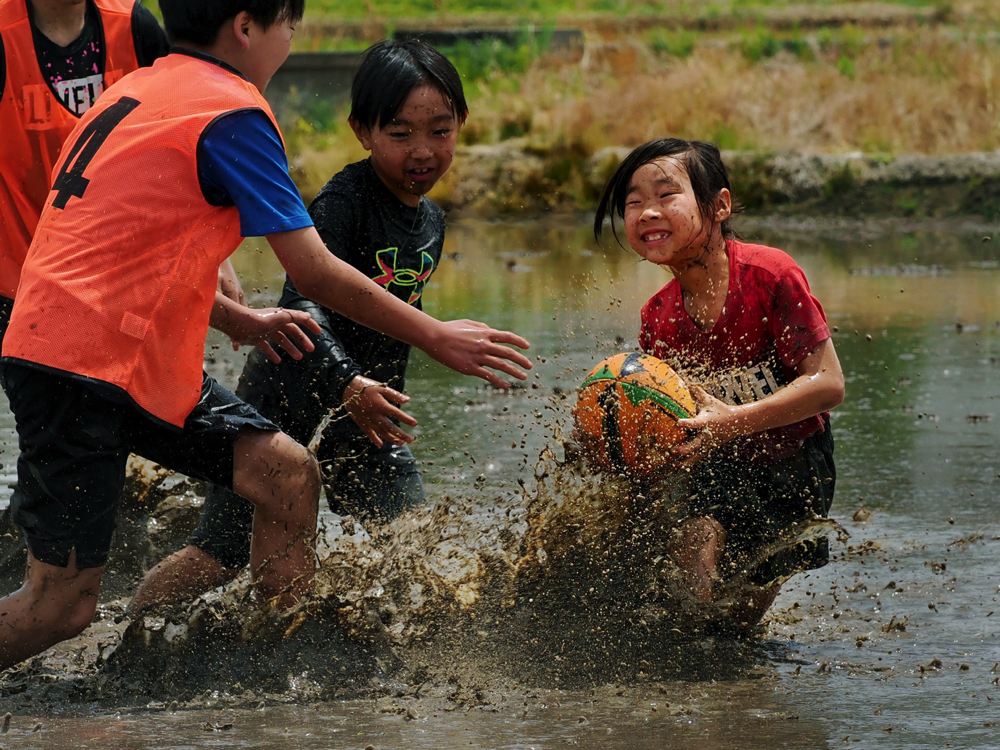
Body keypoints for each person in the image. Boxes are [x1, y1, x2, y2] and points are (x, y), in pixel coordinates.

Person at [0, 0, 532, 672]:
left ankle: (281, 659)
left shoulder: (135, 89)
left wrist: (238, 321)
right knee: (59, 609)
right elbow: (310, 269)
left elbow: (121, 249)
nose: (290, 41)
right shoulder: (231, 112)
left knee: (286, 474)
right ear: (248, 26)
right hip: (83, 367)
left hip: (93, 352)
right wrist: (435, 336)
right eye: (290, 27)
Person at [130, 38, 470, 610]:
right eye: (400, 133)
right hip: (285, 399)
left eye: (440, 131)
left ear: (461, 124)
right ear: (362, 131)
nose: (423, 151)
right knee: (220, 553)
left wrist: (374, 390)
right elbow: (304, 303)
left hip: (366, 422)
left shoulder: (431, 217)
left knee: (420, 547)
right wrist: (349, 383)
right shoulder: (344, 201)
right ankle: (132, 632)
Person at [593, 138, 845, 628]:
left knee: (737, 623)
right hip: (716, 462)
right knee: (692, 586)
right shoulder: (658, 317)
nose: (647, 212)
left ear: (719, 205)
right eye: (633, 202)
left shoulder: (770, 275)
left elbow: (828, 384)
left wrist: (733, 421)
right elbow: (670, 415)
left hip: (795, 464)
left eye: (666, 195)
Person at [0, 0, 169, 336]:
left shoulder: (135, 26)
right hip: (18, 281)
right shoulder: (5, 35)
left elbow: (180, 144)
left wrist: (219, 263)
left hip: (120, 276)